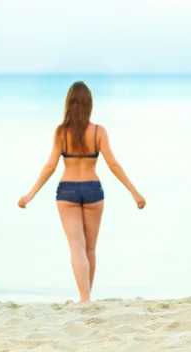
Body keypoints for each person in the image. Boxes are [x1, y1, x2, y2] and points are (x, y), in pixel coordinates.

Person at [18, 81, 146, 303]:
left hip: (67, 191)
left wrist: (31, 194)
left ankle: (84, 298)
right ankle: (87, 297)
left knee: (76, 247)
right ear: (90, 105)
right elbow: (113, 164)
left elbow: (50, 166)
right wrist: (134, 192)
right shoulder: (98, 132)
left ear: (68, 103)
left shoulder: (61, 133)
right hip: (92, 189)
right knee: (90, 248)